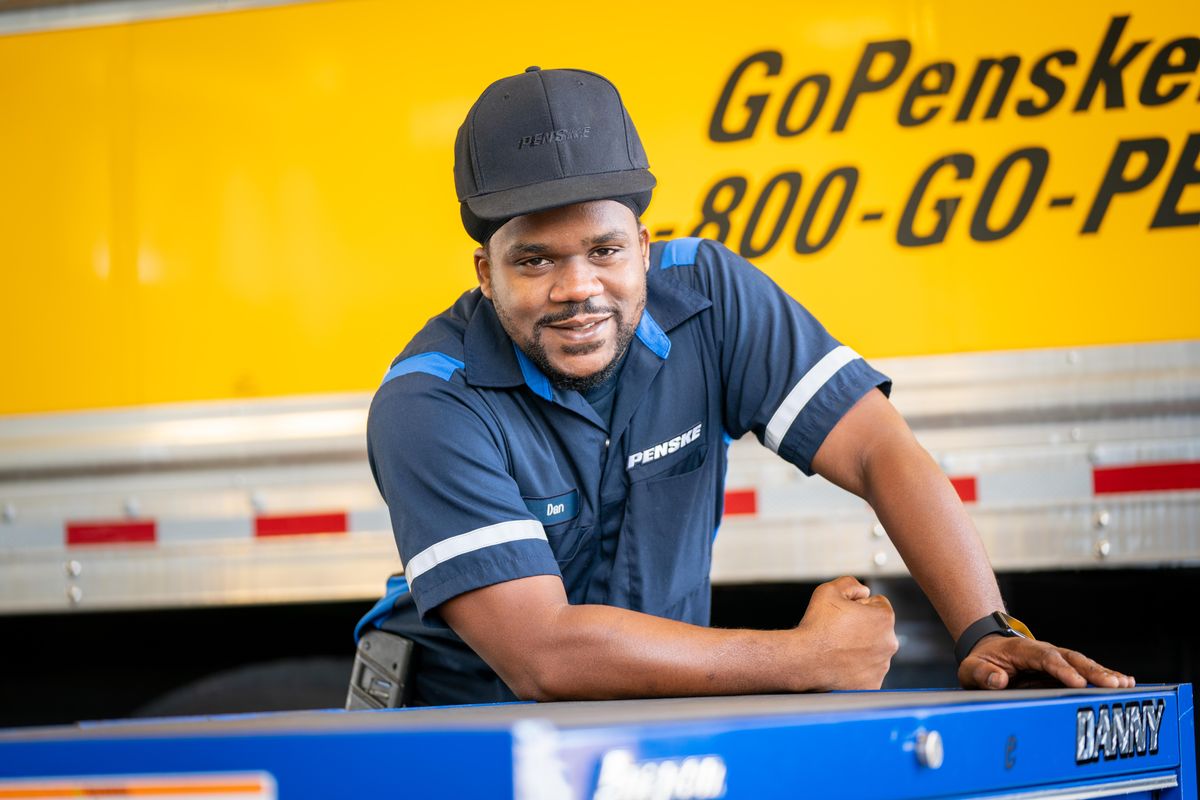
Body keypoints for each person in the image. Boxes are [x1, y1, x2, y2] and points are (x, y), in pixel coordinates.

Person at [355, 66, 1132, 707]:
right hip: (451, 736)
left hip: (649, 719)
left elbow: (873, 447)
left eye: (604, 250)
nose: (577, 288)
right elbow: (545, 657)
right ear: (486, 274)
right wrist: (806, 657)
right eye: (535, 261)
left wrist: (986, 630)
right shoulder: (428, 401)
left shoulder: (710, 299)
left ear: (644, 247)